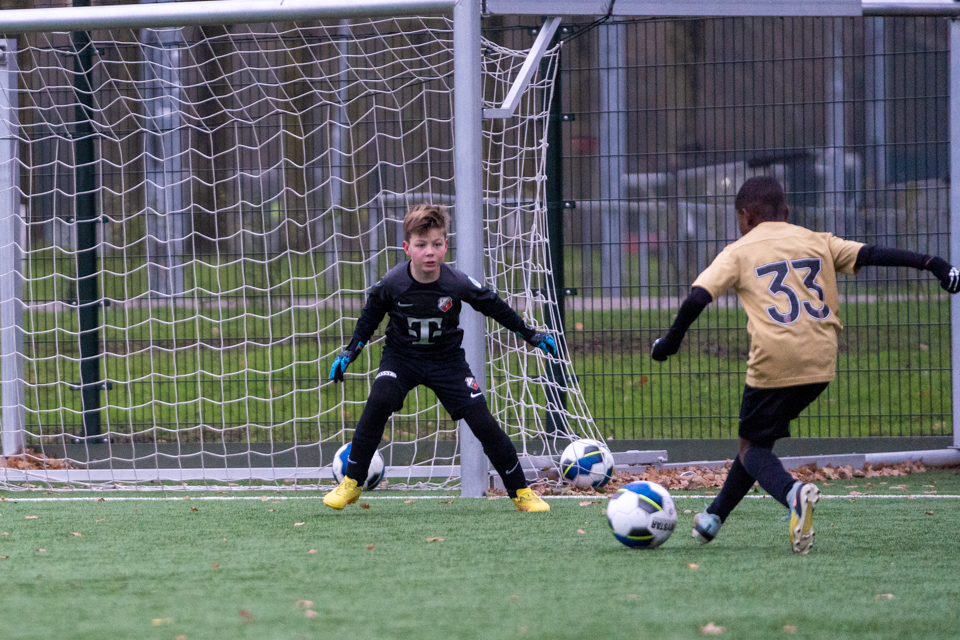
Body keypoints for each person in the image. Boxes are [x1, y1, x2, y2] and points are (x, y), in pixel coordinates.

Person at [651, 176, 960, 554]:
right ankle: (713, 517)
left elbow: (698, 297)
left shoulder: (738, 251)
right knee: (757, 442)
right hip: (821, 358)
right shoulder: (817, 240)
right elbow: (873, 253)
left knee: (751, 449)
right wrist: (934, 263)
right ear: (786, 211)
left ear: (746, 216)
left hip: (774, 359)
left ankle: (793, 493)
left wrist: (669, 343)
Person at [324, 203, 557, 512]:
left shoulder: (456, 282)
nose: (429, 252)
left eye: (436, 244)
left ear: (446, 245)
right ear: (407, 248)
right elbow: (369, 318)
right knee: (379, 400)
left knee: (483, 422)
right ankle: (352, 483)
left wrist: (530, 334)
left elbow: (493, 305)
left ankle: (521, 492)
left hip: (447, 362)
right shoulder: (392, 283)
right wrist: (350, 351)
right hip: (401, 358)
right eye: (421, 245)